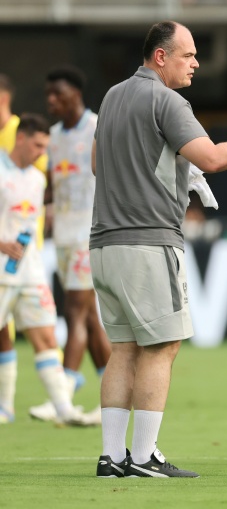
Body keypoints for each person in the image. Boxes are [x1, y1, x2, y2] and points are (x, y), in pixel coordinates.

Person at [91, 20, 227, 478]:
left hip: (104, 244)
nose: (197, 63)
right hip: (149, 242)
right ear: (161, 57)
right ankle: (143, 457)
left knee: (123, 349)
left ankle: (112, 457)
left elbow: (96, 164)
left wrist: (172, 168)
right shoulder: (167, 99)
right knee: (162, 346)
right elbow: (216, 158)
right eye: (188, 55)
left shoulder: (112, 96)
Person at [0, 113, 97, 426]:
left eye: (46, 148)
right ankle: (5, 408)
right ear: (22, 139)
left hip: (31, 272)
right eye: (38, 146)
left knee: (45, 338)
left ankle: (64, 409)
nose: (42, 154)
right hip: (0, 272)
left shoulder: (38, 179)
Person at [29, 66, 112, 423]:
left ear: (75, 95)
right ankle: (116, 394)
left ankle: (62, 392)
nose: (51, 101)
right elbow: (50, 186)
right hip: (62, 234)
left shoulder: (98, 128)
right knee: (90, 319)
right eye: (48, 95)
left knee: (75, 310)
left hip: (89, 233)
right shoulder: (53, 136)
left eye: (57, 95)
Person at [0, 74, 49, 417]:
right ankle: (5, 406)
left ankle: (61, 398)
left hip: (24, 252)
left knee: (39, 329)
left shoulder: (26, 135)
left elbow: (36, 181)